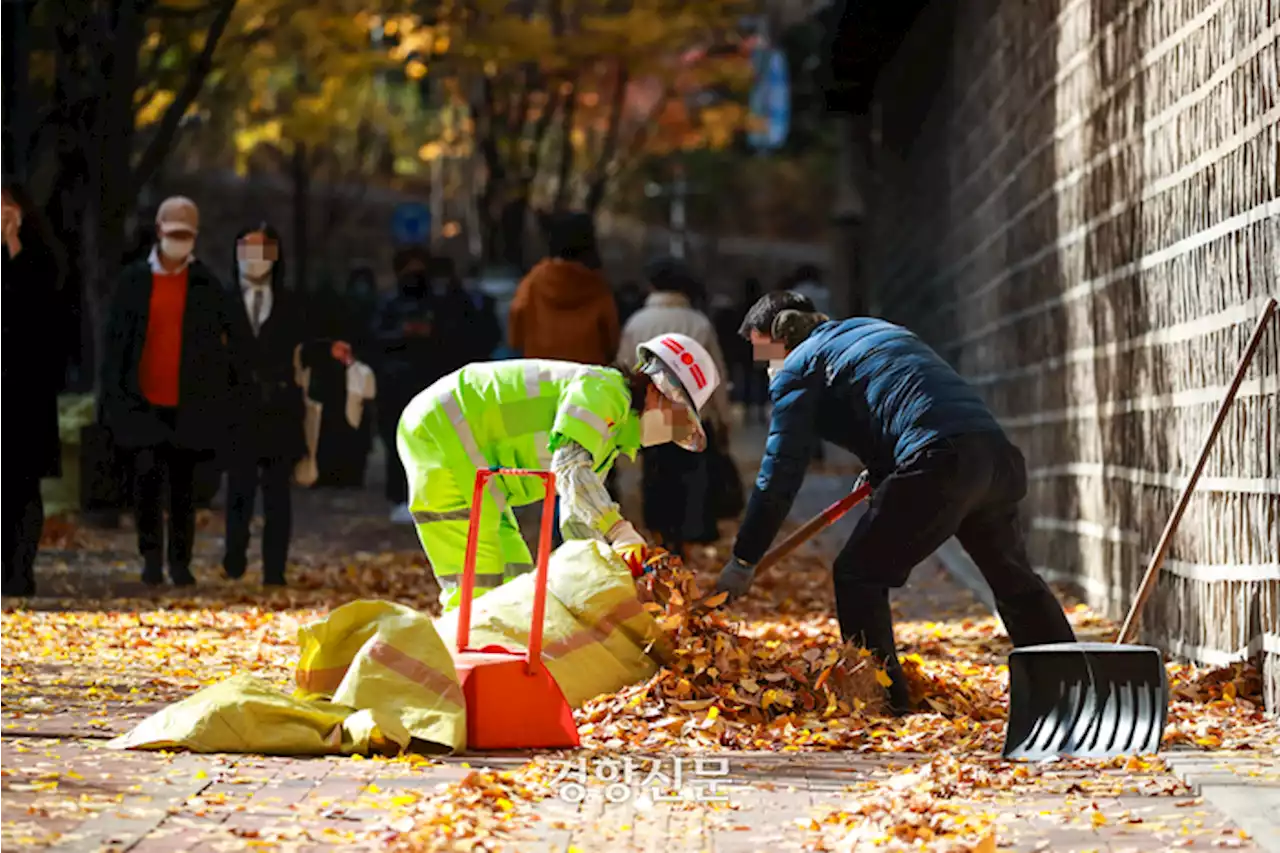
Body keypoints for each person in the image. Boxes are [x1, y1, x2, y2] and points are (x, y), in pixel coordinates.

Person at [713, 293, 1078, 714]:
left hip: (939, 461)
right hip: (994, 457)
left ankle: (883, 702)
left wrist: (744, 559)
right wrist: (885, 466)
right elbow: (898, 399)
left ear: (786, 332)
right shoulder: (876, 330)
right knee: (1014, 581)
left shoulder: (799, 363)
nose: (766, 367)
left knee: (858, 575)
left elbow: (780, 472)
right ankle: (1069, 690)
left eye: (764, 352)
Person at [398, 332, 721, 612]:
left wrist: (608, 573)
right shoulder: (604, 394)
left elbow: (577, 516)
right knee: (478, 588)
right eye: (677, 420)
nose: (669, 433)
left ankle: (496, 668)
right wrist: (618, 531)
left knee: (513, 589)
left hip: (474, 456)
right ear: (655, 391)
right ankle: (464, 672)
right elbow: (570, 469)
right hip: (445, 430)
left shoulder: (608, 438)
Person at [101, 196, 239, 587]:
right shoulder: (133, 281)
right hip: (142, 402)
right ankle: (150, 558)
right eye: (173, 232)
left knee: (184, 491)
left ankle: (181, 562)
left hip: (189, 405)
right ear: (159, 231)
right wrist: (112, 399)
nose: (179, 240)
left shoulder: (206, 285)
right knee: (145, 484)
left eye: (186, 234)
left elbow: (221, 346)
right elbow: (116, 345)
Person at [617, 257, 731, 557]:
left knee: (655, 477)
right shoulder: (698, 323)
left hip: (651, 416)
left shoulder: (636, 323)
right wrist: (723, 418)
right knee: (690, 480)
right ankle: (684, 540)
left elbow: (624, 369)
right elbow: (715, 373)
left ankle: (660, 536)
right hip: (692, 413)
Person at [222, 223, 307, 586]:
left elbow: (306, 343)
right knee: (239, 487)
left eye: (263, 249)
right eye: (247, 249)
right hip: (238, 406)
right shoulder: (223, 301)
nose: (255, 259)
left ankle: (275, 569)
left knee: (278, 493)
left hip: (280, 408)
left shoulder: (290, 302)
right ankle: (235, 555)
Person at [0, 180, 65, 597]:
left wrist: (14, 244)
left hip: (28, 391)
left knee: (25, 485)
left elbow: (40, 306)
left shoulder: (41, 258)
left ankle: (21, 569)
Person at [371, 247, 447, 523]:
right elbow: (375, 337)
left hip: (428, 380)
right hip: (397, 383)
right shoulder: (389, 304)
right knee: (397, 442)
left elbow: (452, 335)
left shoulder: (437, 303)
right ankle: (400, 496)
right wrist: (402, 334)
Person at [507, 211, 620, 366]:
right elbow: (611, 340)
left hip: (540, 374)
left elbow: (515, 326)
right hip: (586, 378)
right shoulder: (597, 285)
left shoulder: (533, 281)